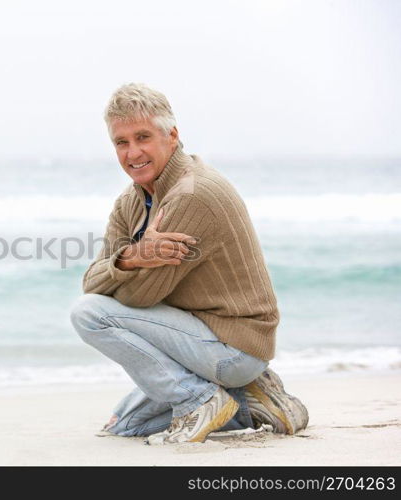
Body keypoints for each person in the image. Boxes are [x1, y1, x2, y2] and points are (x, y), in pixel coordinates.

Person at [70, 83, 308, 444]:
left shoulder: (193, 195)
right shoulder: (130, 202)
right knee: (124, 425)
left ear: (172, 135)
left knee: (88, 313)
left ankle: (201, 398)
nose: (132, 152)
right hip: (197, 340)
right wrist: (133, 256)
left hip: (233, 346)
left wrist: (120, 270)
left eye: (143, 137)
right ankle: (254, 401)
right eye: (121, 142)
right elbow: (92, 279)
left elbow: (137, 299)